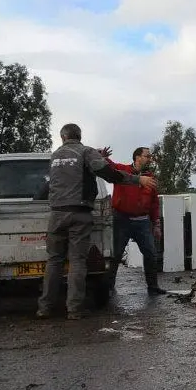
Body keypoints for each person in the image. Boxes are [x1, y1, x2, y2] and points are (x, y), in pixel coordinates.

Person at [36, 124, 156, 319]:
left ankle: (45, 308)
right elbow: (108, 173)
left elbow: (61, 177)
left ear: (63, 137)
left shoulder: (56, 155)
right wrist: (137, 180)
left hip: (56, 214)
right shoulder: (85, 151)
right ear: (80, 136)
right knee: (77, 262)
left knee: (54, 261)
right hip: (79, 213)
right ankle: (74, 310)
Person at [100, 146, 166, 295]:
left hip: (142, 222)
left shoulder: (151, 179)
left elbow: (154, 203)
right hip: (121, 220)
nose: (150, 159)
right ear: (137, 157)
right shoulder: (122, 171)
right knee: (116, 255)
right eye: (147, 156)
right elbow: (109, 167)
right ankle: (109, 287)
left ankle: (153, 287)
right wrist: (103, 157)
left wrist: (156, 224)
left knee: (150, 253)